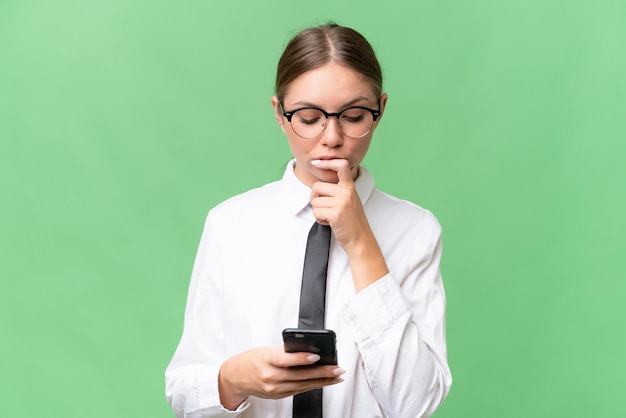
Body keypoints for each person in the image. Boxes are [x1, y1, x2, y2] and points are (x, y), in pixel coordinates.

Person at [165, 23, 452, 418]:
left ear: (380, 110)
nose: (331, 137)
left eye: (353, 116)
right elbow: (182, 392)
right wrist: (231, 380)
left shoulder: (416, 230)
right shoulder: (230, 224)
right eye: (308, 116)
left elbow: (415, 404)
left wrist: (361, 243)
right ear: (279, 115)